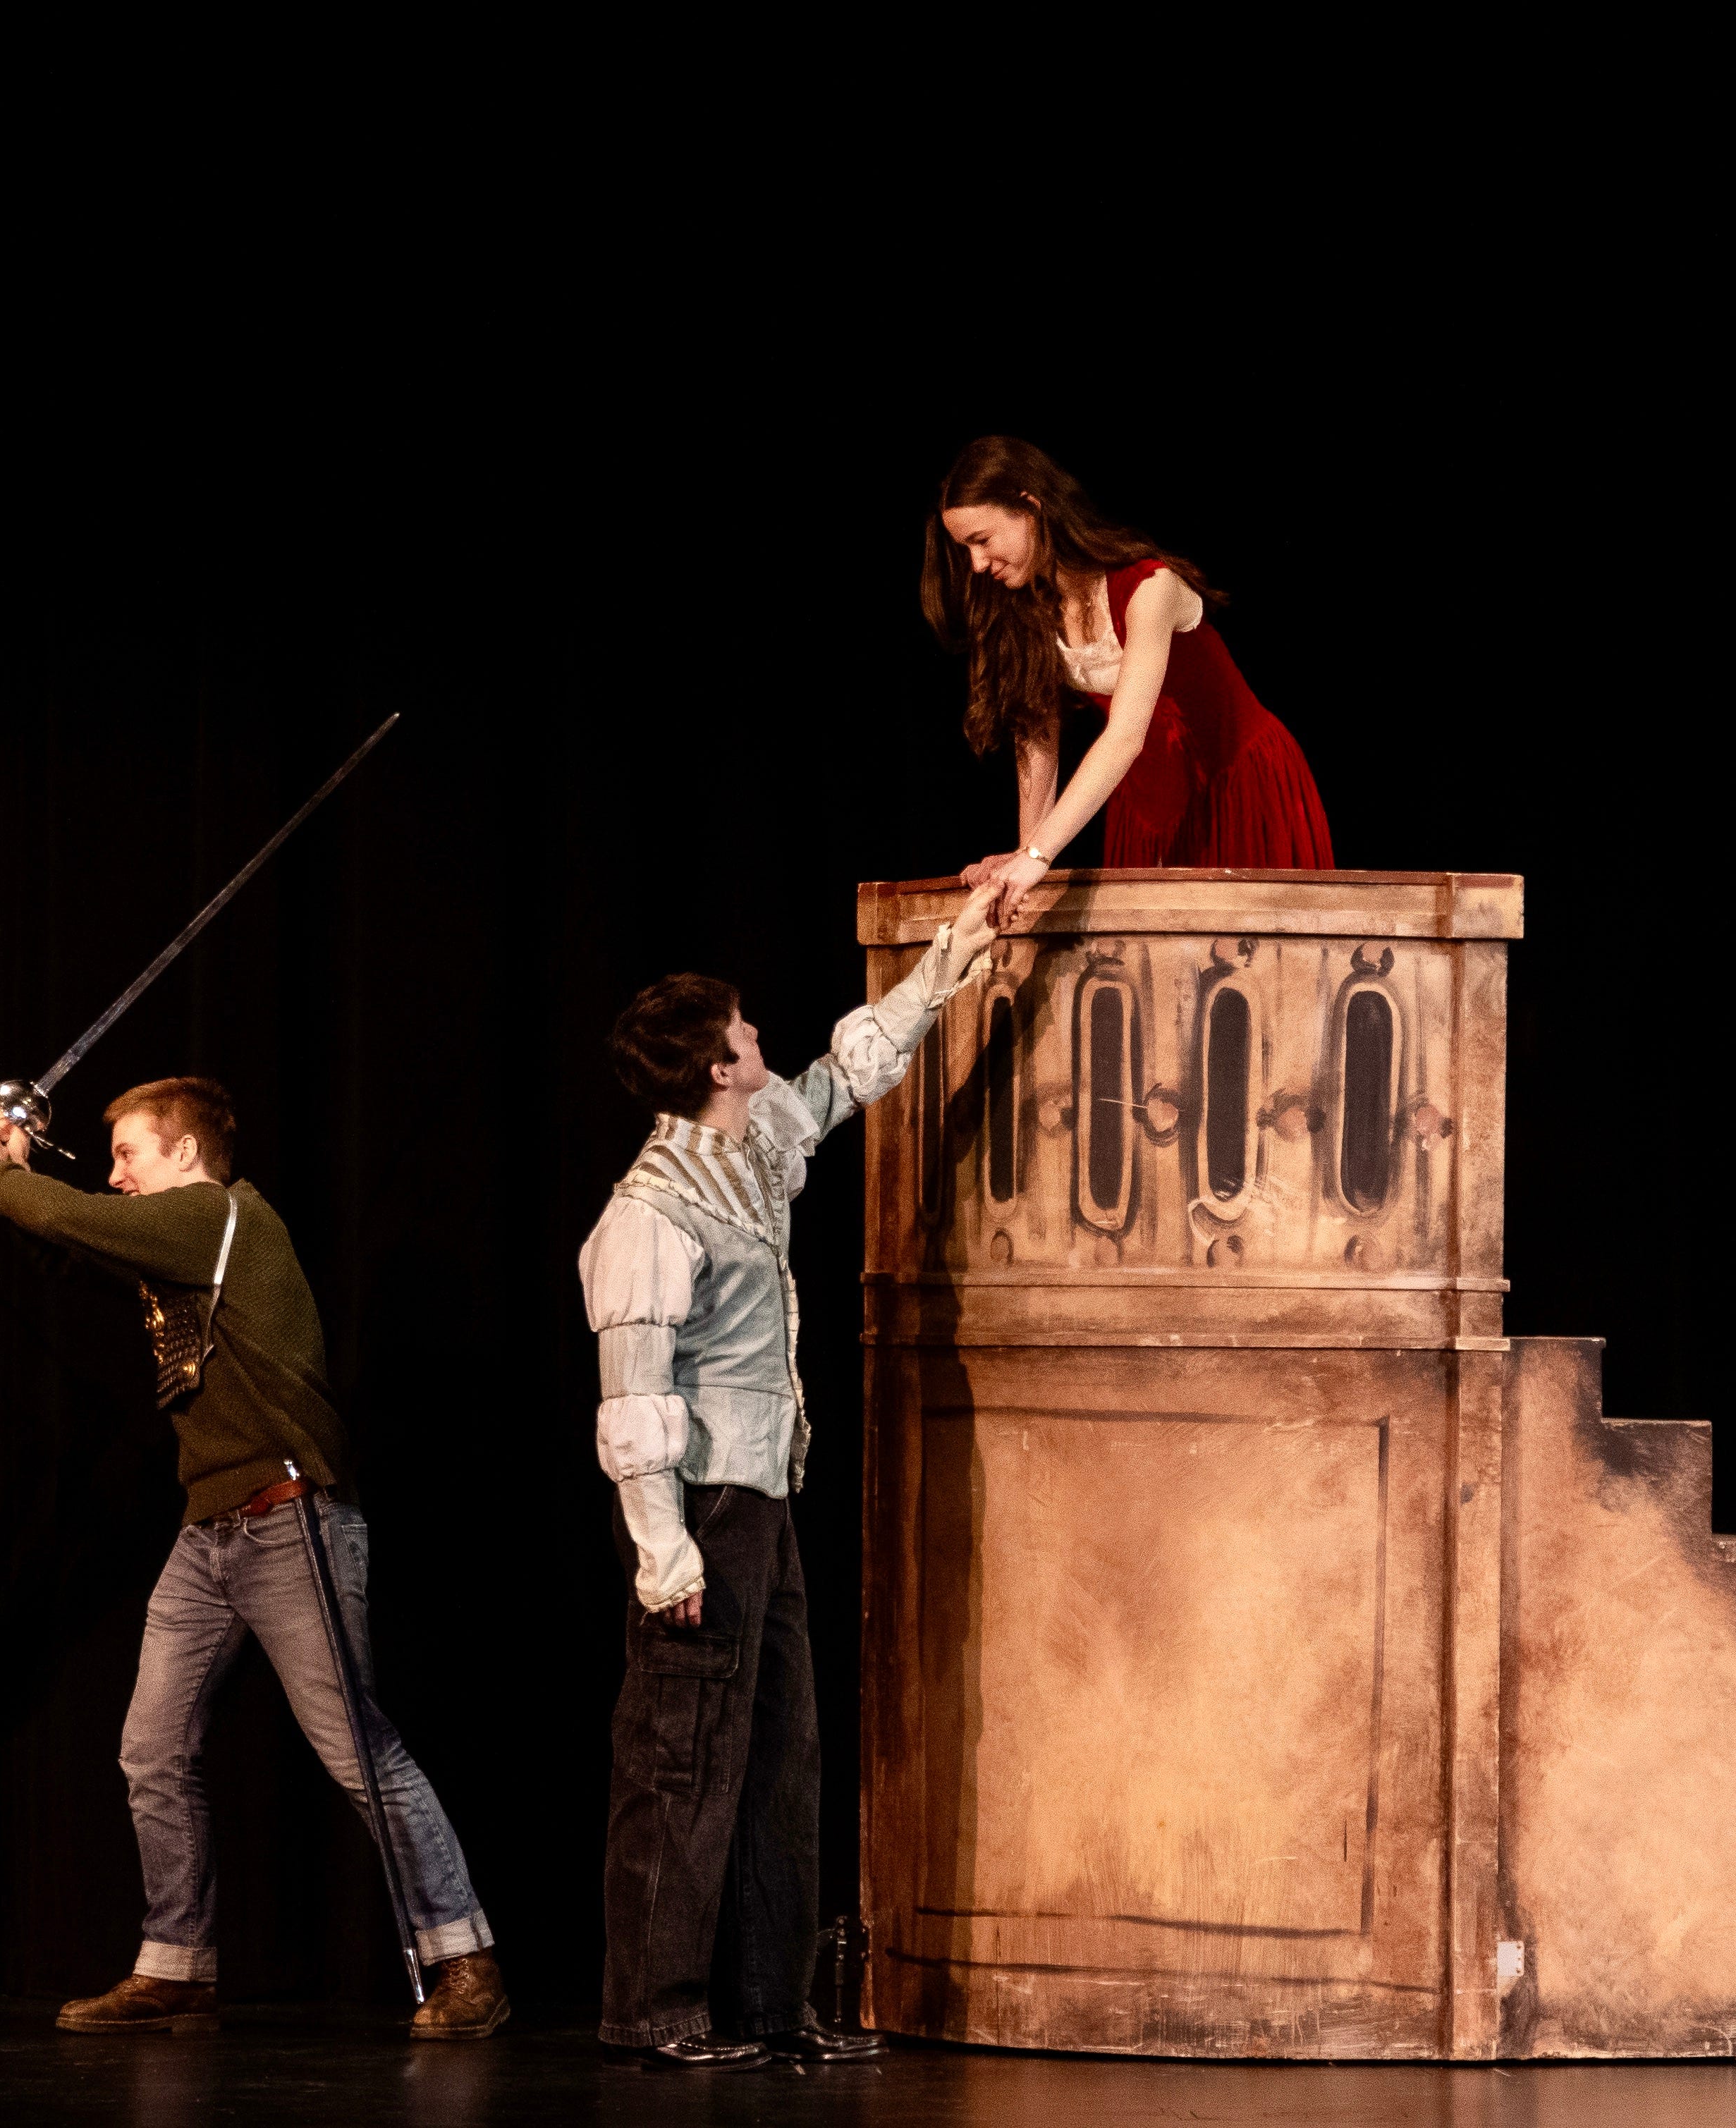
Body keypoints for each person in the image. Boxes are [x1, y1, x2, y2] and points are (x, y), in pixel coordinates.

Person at [0, 1077, 503, 2041]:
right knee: (151, 1749)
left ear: (185, 1154)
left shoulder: (216, 1216)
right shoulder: (180, 1247)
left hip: (290, 1517)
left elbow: (73, 1218)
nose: (116, 1175)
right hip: (209, 1529)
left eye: (129, 1154)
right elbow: (74, 1243)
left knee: (357, 1750)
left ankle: (465, 1958)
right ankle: (176, 1966)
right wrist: (13, 1167)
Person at [580, 881, 1003, 2068]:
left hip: (758, 1496)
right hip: (698, 1505)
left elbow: (842, 1074)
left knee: (779, 1751)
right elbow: (633, 1400)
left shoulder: (748, 1138)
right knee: (679, 1757)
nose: (759, 1033)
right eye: (743, 1028)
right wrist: (664, 1552)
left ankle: (775, 2003)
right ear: (718, 1064)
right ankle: (653, 2011)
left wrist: (956, 949)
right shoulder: (649, 1211)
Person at [921, 435, 1332, 895]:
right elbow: (1037, 741)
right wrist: (1024, 853)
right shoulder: (1032, 610)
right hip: (1148, 808)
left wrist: (1038, 855)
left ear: (1031, 508)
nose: (976, 563)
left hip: (1239, 791)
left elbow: (1125, 736)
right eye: (966, 549)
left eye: (981, 540)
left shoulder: (1150, 588)